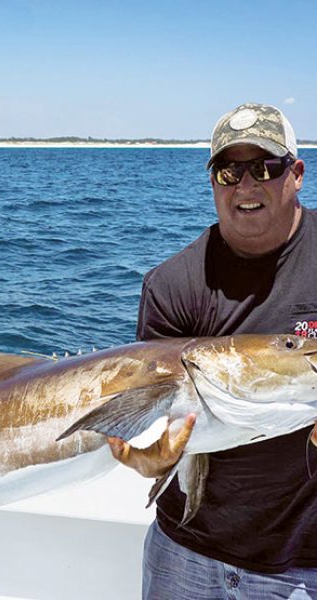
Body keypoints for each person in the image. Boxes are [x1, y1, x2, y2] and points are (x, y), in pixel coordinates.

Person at [109, 103, 317, 598]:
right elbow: (156, 421)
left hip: (304, 563)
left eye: (264, 167)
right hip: (186, 553)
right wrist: (147, 456)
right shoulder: (172, 285)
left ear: (297, 173)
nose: (246, 186)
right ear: (213, 182)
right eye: (229, 171)